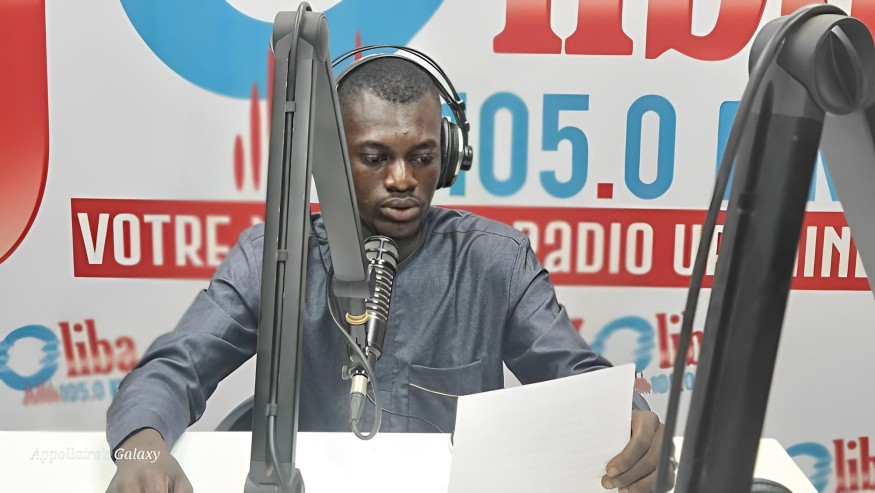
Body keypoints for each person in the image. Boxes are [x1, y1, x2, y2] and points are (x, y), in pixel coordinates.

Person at [105, 54, 674, 493]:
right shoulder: (274, 257)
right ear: (330, 161)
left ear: (448, 157)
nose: (402, 179)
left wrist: (631, 419)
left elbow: (576, 375)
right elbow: (173, 369)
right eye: (375, 158)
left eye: (422, 157)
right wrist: (140, 449)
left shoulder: (495, 260)